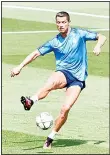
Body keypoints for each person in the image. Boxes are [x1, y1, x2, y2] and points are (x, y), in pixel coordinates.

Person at [11, 11, 106, 149]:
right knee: (51, 82)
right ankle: (31, 101)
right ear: (56, 23)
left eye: (63, 22)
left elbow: (101, 36)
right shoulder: (54, 42)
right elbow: (36, 53)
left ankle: (50, 138)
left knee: (65, 109)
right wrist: (19, 66)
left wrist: (98, 45)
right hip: (64, 72)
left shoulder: (79, 34)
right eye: (58, 23)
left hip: (78, 79)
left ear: (68, 22)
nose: (61, 25)